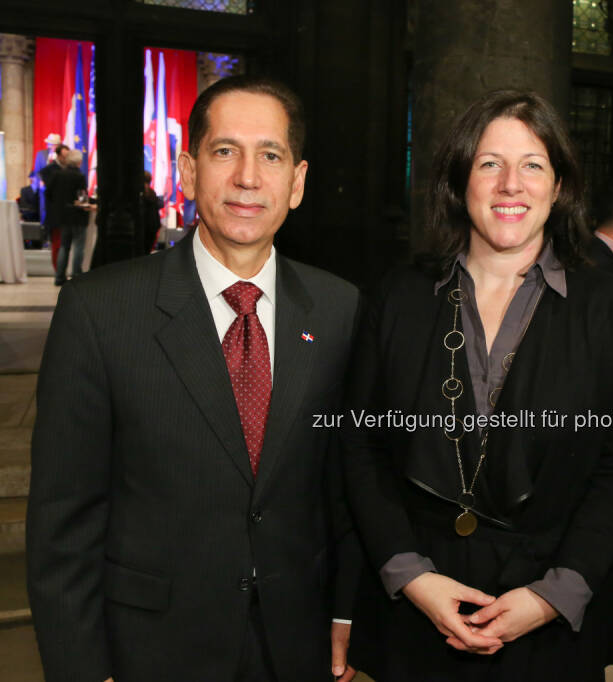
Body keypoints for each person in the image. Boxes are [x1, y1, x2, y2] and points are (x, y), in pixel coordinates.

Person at [27, 75, 361, 682]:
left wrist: (344, 610)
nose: (248, 178)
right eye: (225, 151)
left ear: (298, 182)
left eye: (271, 156)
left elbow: (343, 485)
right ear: (187, 170)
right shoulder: (100, 312)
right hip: (149, 649)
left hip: (293, 642)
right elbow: (63, 520)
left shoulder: (339, 310)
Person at [343, 89, 613, 682]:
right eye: (490, 164)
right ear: (461, 182)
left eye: (532, 164)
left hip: (550, 617)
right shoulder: (398, 296)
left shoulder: (611, 306)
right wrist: (411, 575)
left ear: (558, 185)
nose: (511, 184)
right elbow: (360, 446)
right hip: (419, 612)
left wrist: (555, 593)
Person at [50, 148, 89, 285]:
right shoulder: (79, 177)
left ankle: (59, 276)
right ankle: (76, 275)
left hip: (63, 216)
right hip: (77, 215)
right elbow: (82, 197)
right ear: (79, 162)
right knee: (78, 246)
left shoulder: (58, 175)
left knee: (64, 246)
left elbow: (49, 194)